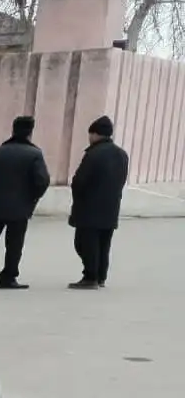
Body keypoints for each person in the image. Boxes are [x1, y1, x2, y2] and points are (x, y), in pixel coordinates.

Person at [0, 115, 50, 289]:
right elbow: (42, 181)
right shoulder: (34, 154)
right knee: (14, 245)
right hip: (20, 208)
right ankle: (8, 277)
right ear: (30, 133)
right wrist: (31, 199)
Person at [68, 115, 128, 289]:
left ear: (95, 134)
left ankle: (90, 277)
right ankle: (101, 276)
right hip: (111, 206)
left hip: (89, 207)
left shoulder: (93, 154)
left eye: (90, 134)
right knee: (104, 243)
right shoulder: (122, 154)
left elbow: (80, 181)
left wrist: (78, 197)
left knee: (84, 243)